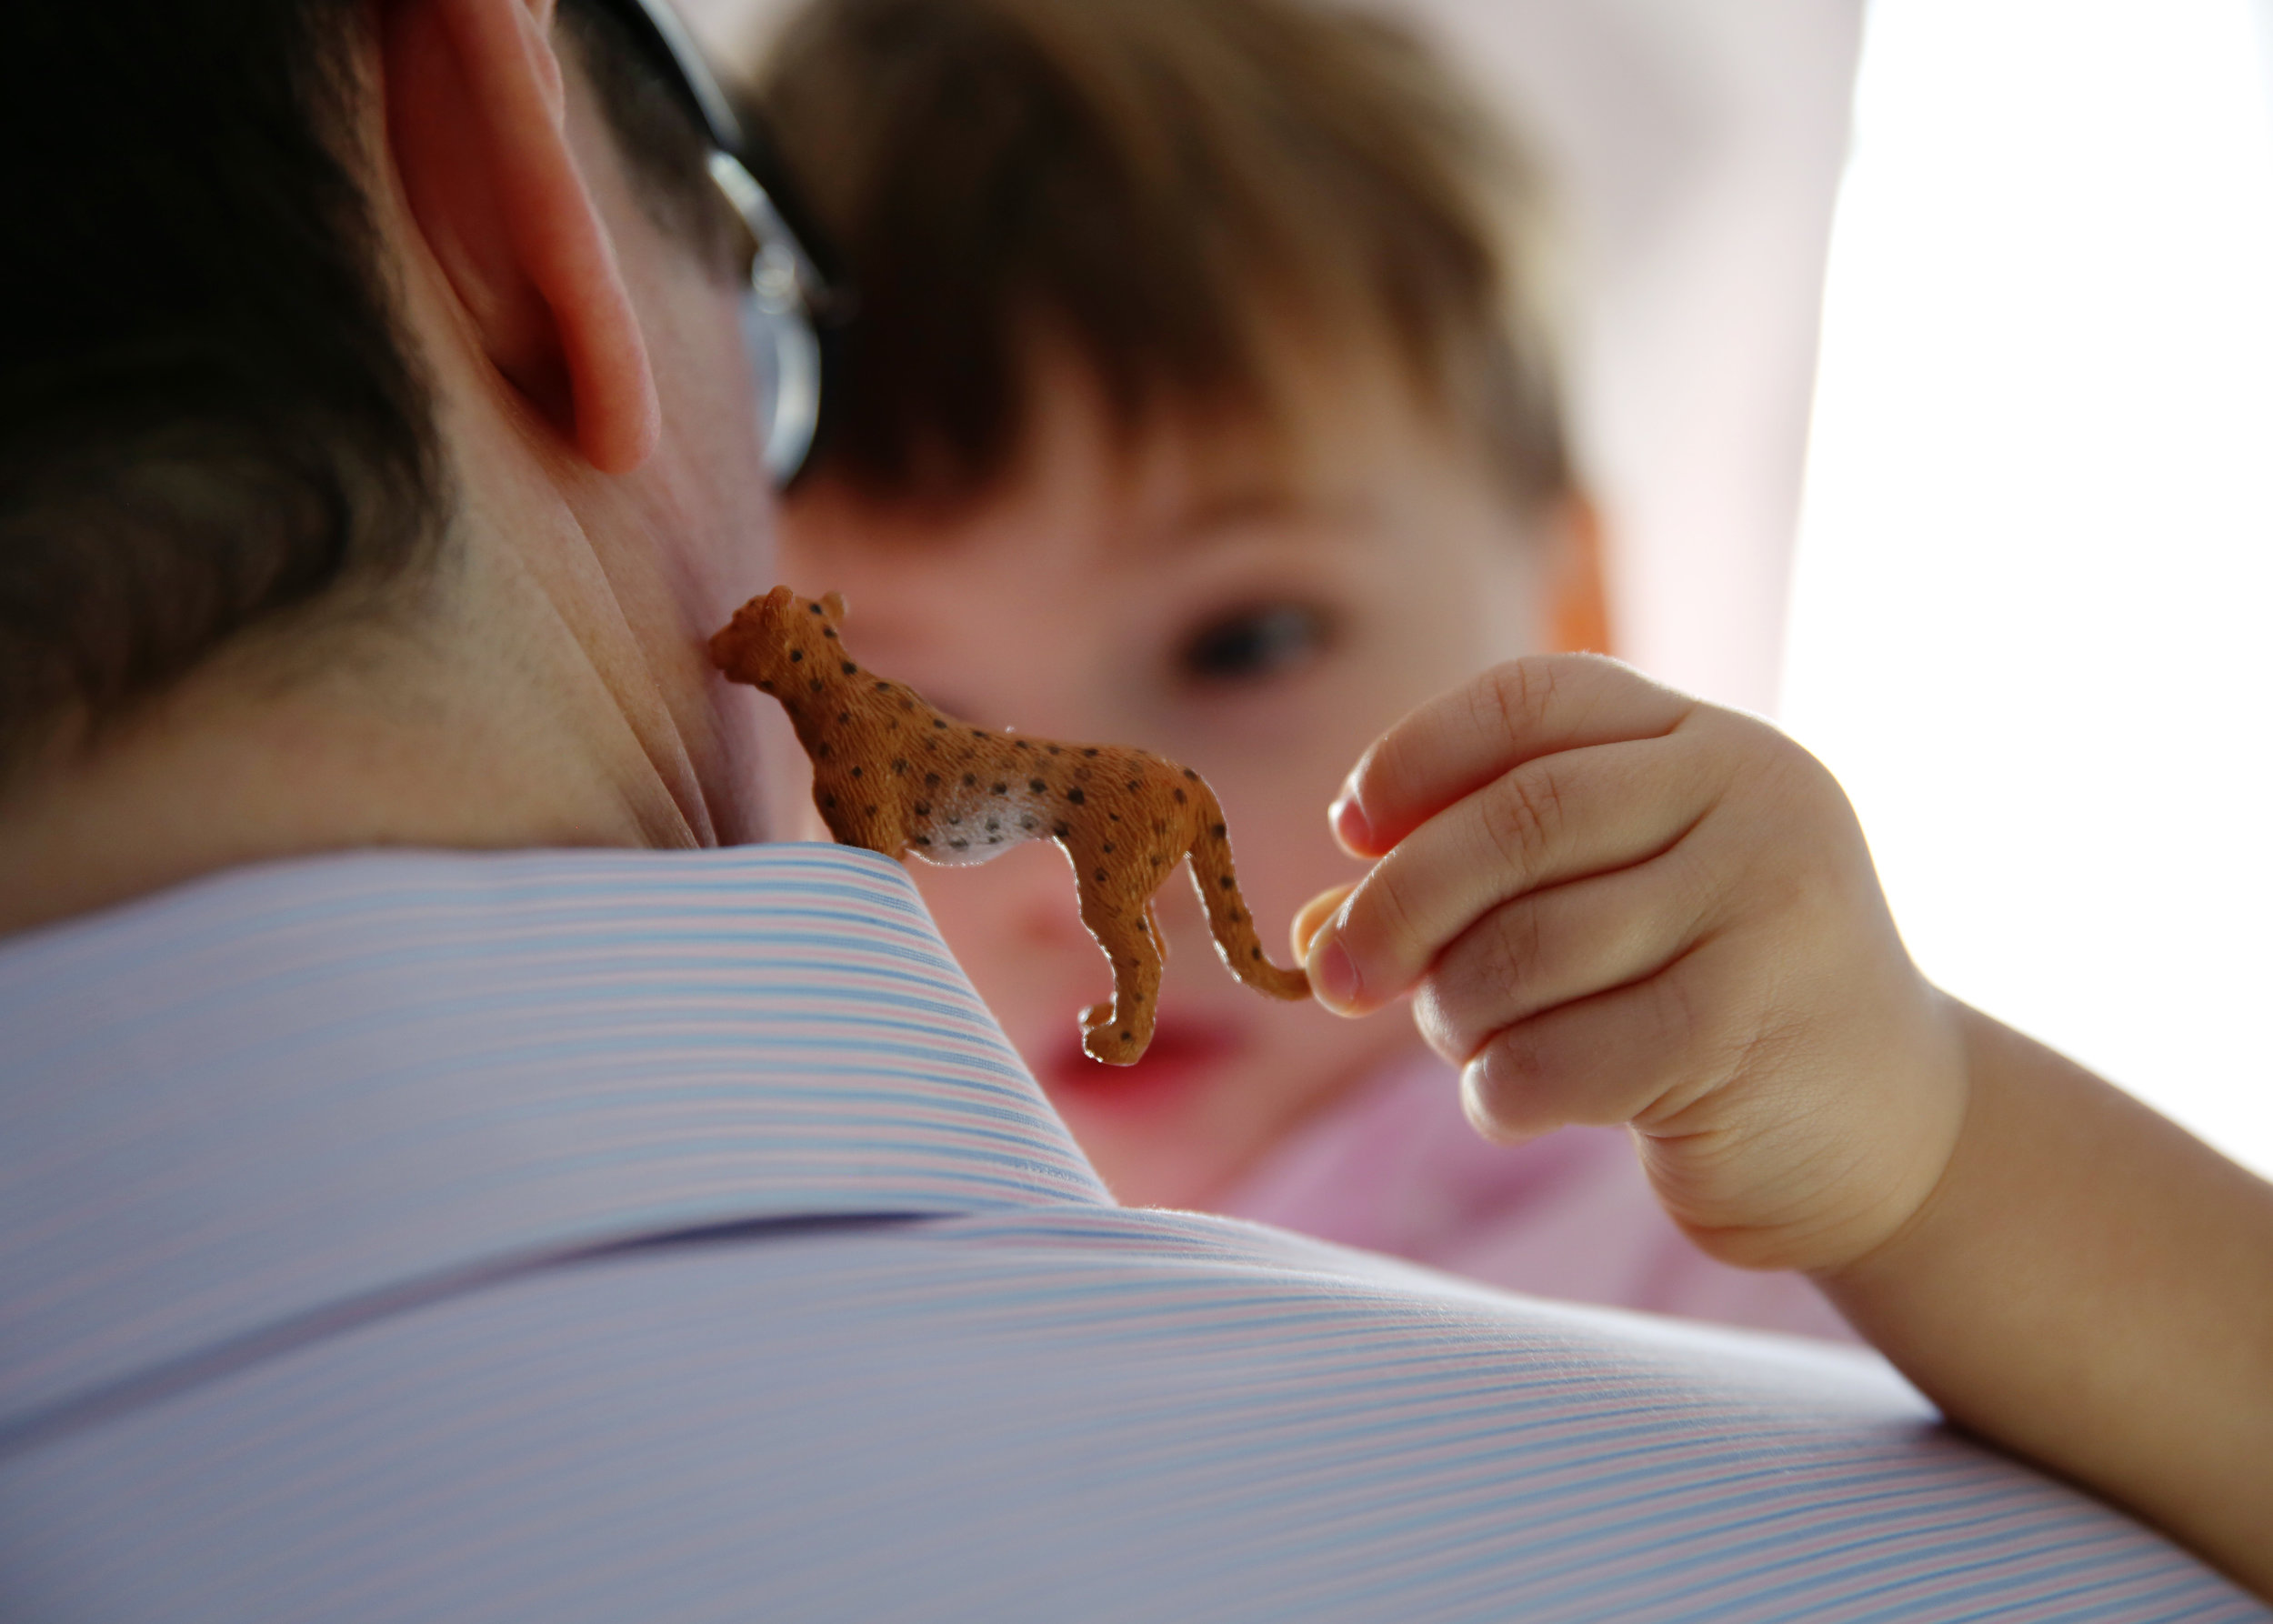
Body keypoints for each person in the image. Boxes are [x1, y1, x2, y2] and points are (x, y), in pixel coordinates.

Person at [0, 3, 2266, 1620]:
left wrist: (1937, 1130)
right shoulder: (780, 1249)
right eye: (915, 702)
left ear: (1568, 586)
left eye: (1246, 638)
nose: (1025, 864)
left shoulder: (1708, 1144)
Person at [756, 0, 1850, 1338]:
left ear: (1569, 617)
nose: (1062, 878)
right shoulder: (809, 1293)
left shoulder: (1743, 1237)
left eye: (1243, 644)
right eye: (912, 743)